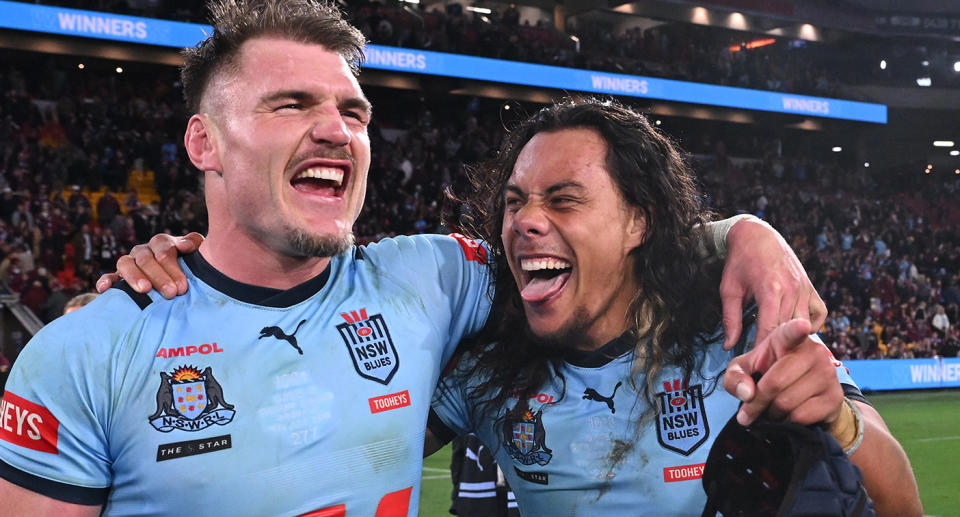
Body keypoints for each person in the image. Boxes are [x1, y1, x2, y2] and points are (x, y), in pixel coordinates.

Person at [0, 2, 825, 515]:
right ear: (203, 141)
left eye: (352, 110)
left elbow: (602, 246)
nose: (337, 129)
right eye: (292, 103)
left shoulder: (433, 277)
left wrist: (744, 230)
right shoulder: (83, 353)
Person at [425, 98, 921, 516]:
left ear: (638, 223)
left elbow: (902, 504)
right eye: (515, 201)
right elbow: (360, 446)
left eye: (563, 200)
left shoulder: (740, 331)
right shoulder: (485, 362)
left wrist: (837, 418)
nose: (525, 220)